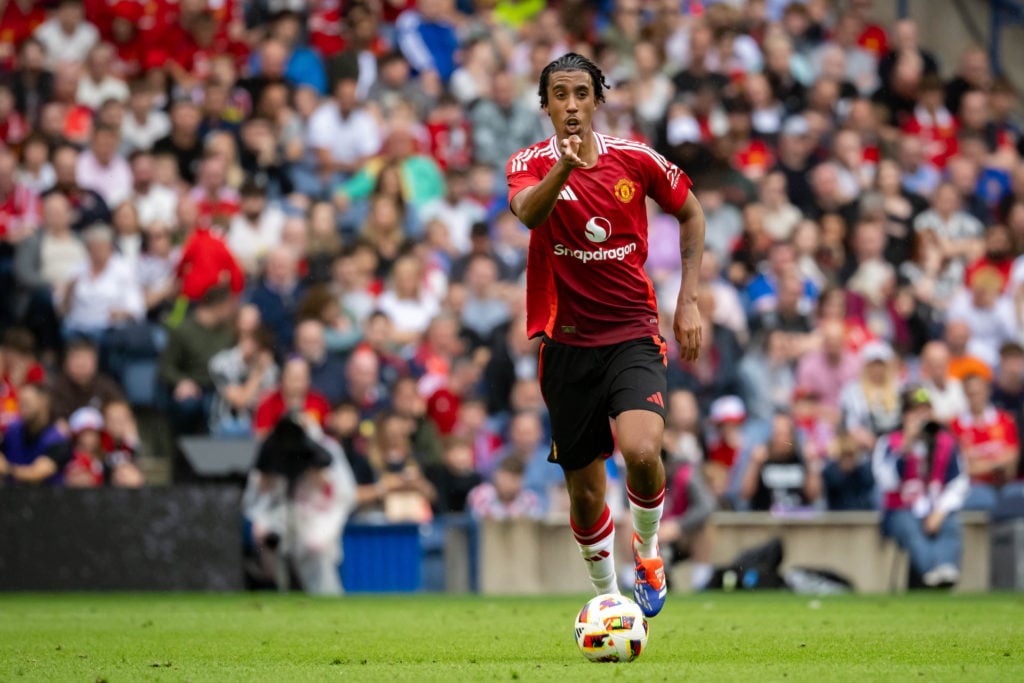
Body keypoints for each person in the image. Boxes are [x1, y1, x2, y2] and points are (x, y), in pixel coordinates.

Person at [506, 53, 705, 617]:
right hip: (566, 344)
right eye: (560, 95)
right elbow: (528, 214)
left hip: (632, 332)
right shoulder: (527, 163)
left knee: (643, 451)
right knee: (587, 492)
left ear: (597, 100)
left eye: (581, 94)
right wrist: (564, 170)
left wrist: (687, 300)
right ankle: (607, 598)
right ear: (544, 105)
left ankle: (647, 551)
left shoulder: (635, 159)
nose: (571, 106)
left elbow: (691, 213)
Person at [873, 387, 968, 588]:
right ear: (905, 415)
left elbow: (959, 481)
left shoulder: (946, 441)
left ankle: (946, 568)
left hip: (935, 508)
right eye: (915, 412)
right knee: (909, 527)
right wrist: (905, 446)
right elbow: (886, 481)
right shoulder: (888, 442)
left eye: (925, 411)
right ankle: (932, 571)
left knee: (950, 523)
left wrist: (940, 511)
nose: (921, 417)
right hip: (900, 510)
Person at [0, 382, 71, 486]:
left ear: (44, 401)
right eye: (20, 403)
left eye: (27, 403)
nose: (22, 408)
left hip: (47, 499)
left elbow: (36, 474)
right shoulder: (12, 430)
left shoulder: (58, 439)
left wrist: (7, 469)